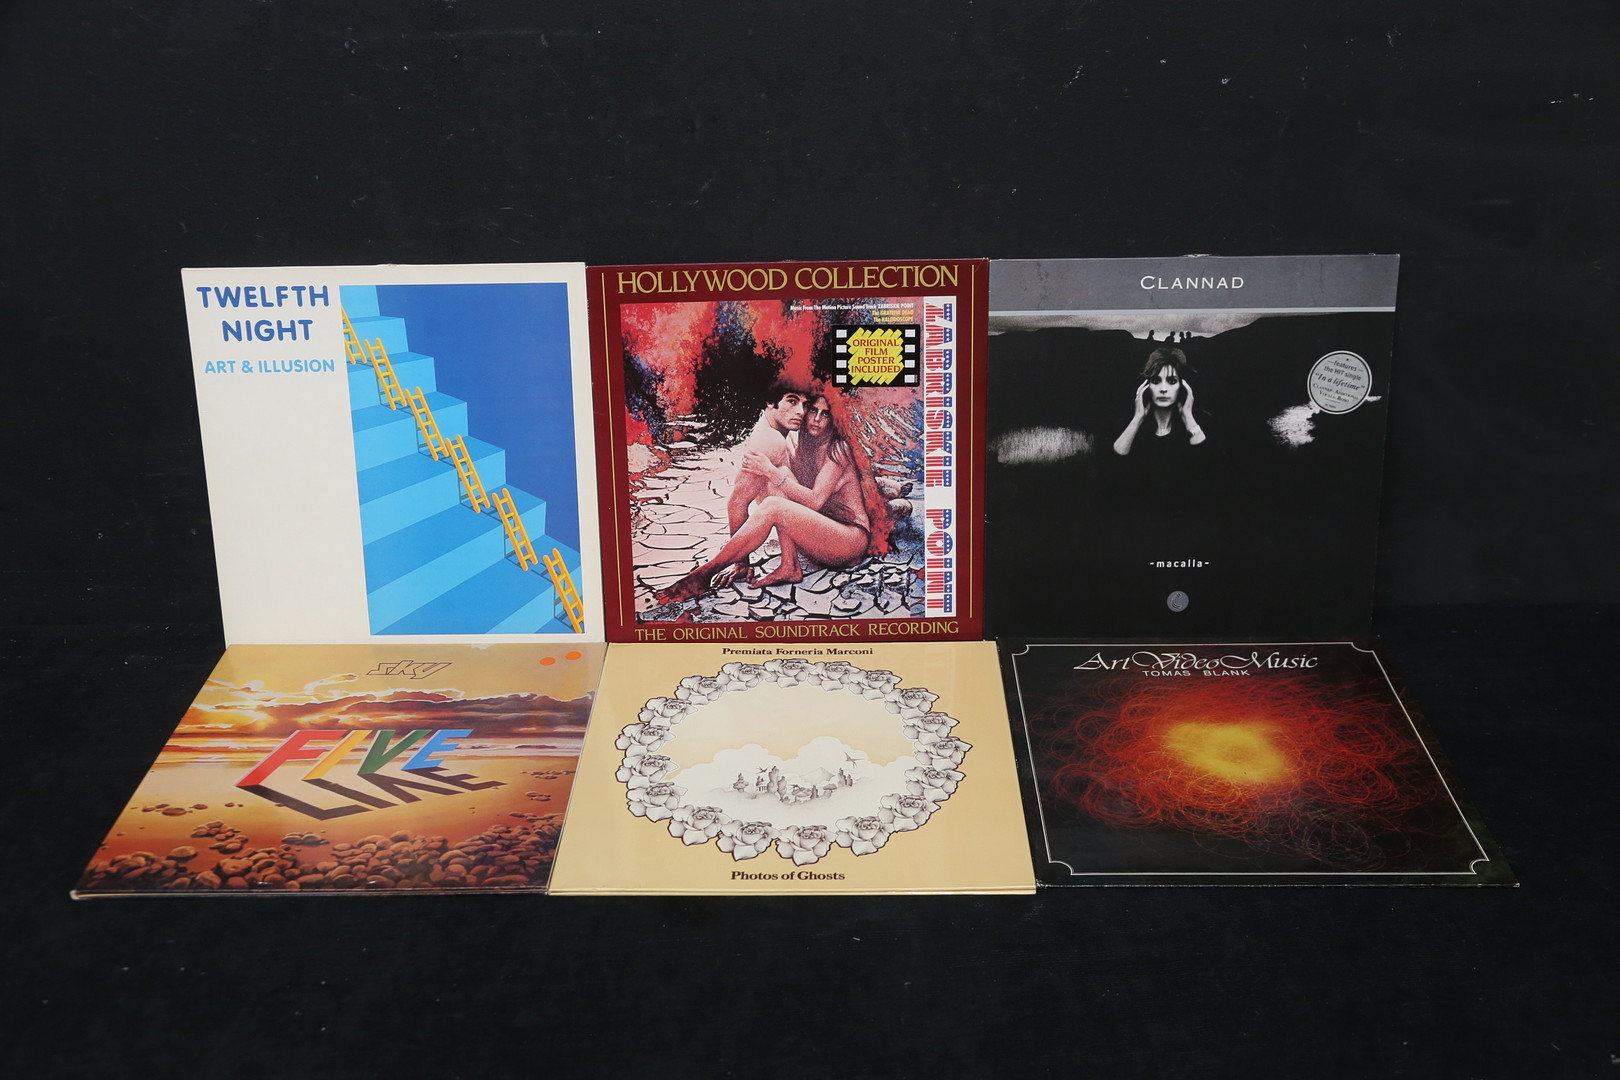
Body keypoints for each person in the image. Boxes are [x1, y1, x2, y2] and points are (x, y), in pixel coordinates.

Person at [658, 391, 872, 601]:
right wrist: (742, 563)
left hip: (849, 542)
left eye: (825, 414)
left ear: (834, 419)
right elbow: (741, 497)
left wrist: (770, 470)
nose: (816, 419)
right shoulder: (802, 444)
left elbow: (815, 501)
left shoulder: (838, 450)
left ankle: (704, 574)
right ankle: (788, 565)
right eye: (813, 410)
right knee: (779, 475)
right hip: (822, 535)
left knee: (773, 500)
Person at [1112, 346, 1206, 456]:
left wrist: (1189, 419)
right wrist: (1137, 419)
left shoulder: (1202, 421)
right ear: (1146, 386)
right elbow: (1116, 457)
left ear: (1182, 385)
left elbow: (1207, 459)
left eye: (1172, 381)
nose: (1163, 389)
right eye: (1156, 381)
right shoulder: (1126, 423)